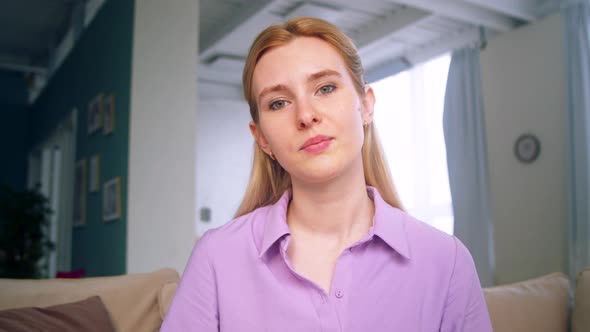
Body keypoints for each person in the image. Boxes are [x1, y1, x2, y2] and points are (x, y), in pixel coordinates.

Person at [161, 16, 492, 332]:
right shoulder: (216, 257)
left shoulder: (447, 262)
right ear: (262, 138)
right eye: (278, 103)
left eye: (325, 88)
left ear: (365, 105)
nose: (306, 115)